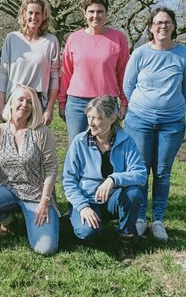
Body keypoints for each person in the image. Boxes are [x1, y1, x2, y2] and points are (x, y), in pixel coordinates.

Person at [123, 7, 186, 242]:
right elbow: (128, 86)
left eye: (167, 22)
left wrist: (168, 106)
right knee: (141, 170)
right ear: (150, 27)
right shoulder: (140, 53)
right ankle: (140, 218)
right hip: (139, 120)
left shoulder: (183, 55)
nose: (162, 26)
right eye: (157, 22)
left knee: (163, 172)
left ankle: (158, 220)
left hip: (171, 123)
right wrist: (146, 106)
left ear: (173, 26)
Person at [0, 85, 59, 255]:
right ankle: (9, 222)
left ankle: (31, 219)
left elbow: (51, 168)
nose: (24, 105)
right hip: (7, 189)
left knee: (45, 249)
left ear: (34, 108)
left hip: (36, 194)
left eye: (30, 102)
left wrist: (45, 201)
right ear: (10, 103)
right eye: (20, 99)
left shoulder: (42, 132)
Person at [62, 96, 146, 264]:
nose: (91, 123)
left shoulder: (126, 141)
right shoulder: (79, 142)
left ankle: (125, 241)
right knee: (87, 233)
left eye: (97, 118)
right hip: (87, 200)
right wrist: (83, 206)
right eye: (89, 117)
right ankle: (73, 219)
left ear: (112, 118)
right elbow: (68, 180)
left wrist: (113, 179)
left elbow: (140, 174)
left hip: (113, 200)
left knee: (134, 192)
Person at [58, 0, 130, 144]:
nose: (95, 16)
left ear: (106, 14)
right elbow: (65, 73)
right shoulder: (74, 38)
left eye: (100, 11)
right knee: (78, 146)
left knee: (106, 147)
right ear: (84, 13)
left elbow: (124, 73)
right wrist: (62, 102)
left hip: (107, 102)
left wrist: (124, 102)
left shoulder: (118, 38)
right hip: (77, 103)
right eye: (91, 11)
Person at [0, 0, 60, 126]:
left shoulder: (51, 41)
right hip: (14, 100)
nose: (34, 17)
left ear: (43, 16)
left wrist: (49, 108)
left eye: (38, 13)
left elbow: (55, 77)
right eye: (30, 13)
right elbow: (4, 73)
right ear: (24, 14)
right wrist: (1, 104)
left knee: (35, 144)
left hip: (38, 103)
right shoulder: (12, 39)